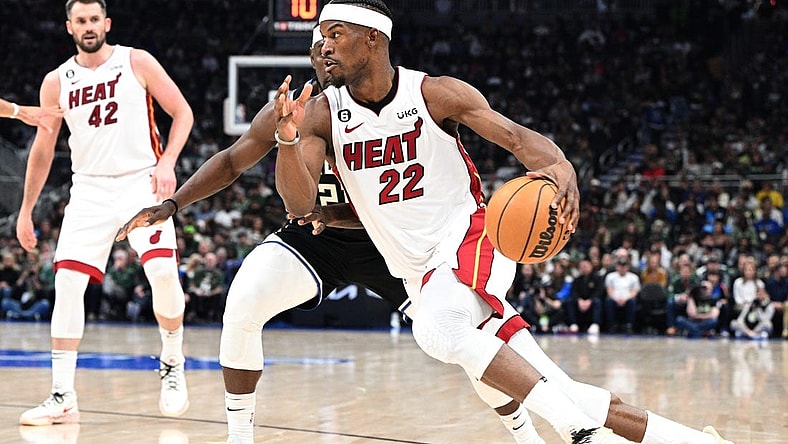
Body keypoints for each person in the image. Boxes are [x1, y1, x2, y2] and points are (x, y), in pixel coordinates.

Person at [272, 1, 735, 442]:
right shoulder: (322, 115)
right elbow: (297, 203)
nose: (324, 46)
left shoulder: (434, 93)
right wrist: (288, 138)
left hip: (472, 238)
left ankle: (577, 434)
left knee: (436, 330)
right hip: (421, 275)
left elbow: (513, 137)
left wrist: (560, 166)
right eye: (320, 38)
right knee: (561, 388)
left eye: (335, 34)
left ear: (373, 39)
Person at [117, 29, 546, 444]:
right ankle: (239, 436)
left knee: (468, 341)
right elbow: (231, 162)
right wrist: (172, 204)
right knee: (243, 303)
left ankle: (525, 435)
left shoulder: (400, 104)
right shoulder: (296, 110)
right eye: (318, 48)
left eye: (334, 44)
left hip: (396, 242)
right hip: (315, 238)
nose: (326, 54)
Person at [15, 0, 192, 426]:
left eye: (95, 19)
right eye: (81, 20)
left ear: (106, 23)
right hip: (89, 189)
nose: (89, 26)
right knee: (68, 284)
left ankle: (172, 360)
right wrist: (26, 210)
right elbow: (43, 149)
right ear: (69, 27)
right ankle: (62, 395)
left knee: (163, 274)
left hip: (140, 181)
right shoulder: (56, 82)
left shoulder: (136, 61)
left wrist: (167, 162)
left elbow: (182, 112)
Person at [603, 257, 640, 334]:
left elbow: (634, 292)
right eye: (620, 266)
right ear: (617, 267)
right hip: (614, 298)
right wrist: (616, 299)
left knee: (632, 301)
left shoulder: (634, 277)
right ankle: (612, 325)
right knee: (608, 300)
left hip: (628, 298)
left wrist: (625, 299)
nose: (622, 268)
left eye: (624, 266)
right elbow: (609, 290)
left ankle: (629, 325)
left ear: (627, 267)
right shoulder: (610, 276)